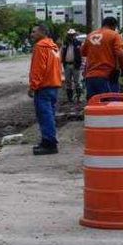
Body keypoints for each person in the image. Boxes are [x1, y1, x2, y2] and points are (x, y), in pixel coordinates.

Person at [28, 25, 63, 155]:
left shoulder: (40, 47)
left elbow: (38, 69)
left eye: (33, 31)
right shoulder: (53, 47)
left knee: (44, 115)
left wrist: (33, 86)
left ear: (42, 33)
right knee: (50, 114)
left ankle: (49, 143)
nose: (31, 34)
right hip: (53, 85)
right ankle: (47, 140)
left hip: (44, 86)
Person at [80, 16, 123, 99]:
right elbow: (120, 53)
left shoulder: (90, 35)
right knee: (109, 104)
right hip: (107, 76)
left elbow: (83, 52)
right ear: (114, 26)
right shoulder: (114, 35)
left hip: (90, 77)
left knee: (93, 105)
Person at [60, 28, 83, 103]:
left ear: (74, 35)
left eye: (72, 35)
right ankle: (70, 99)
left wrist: (81, 64)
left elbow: (82, 54)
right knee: (68, 82)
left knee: (77, 82)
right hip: (67, 65)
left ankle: (78, 98)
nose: (71, 37)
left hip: (75, 65)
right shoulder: (65, 44)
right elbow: (62, 53)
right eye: (69, 35)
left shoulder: (78, 43)